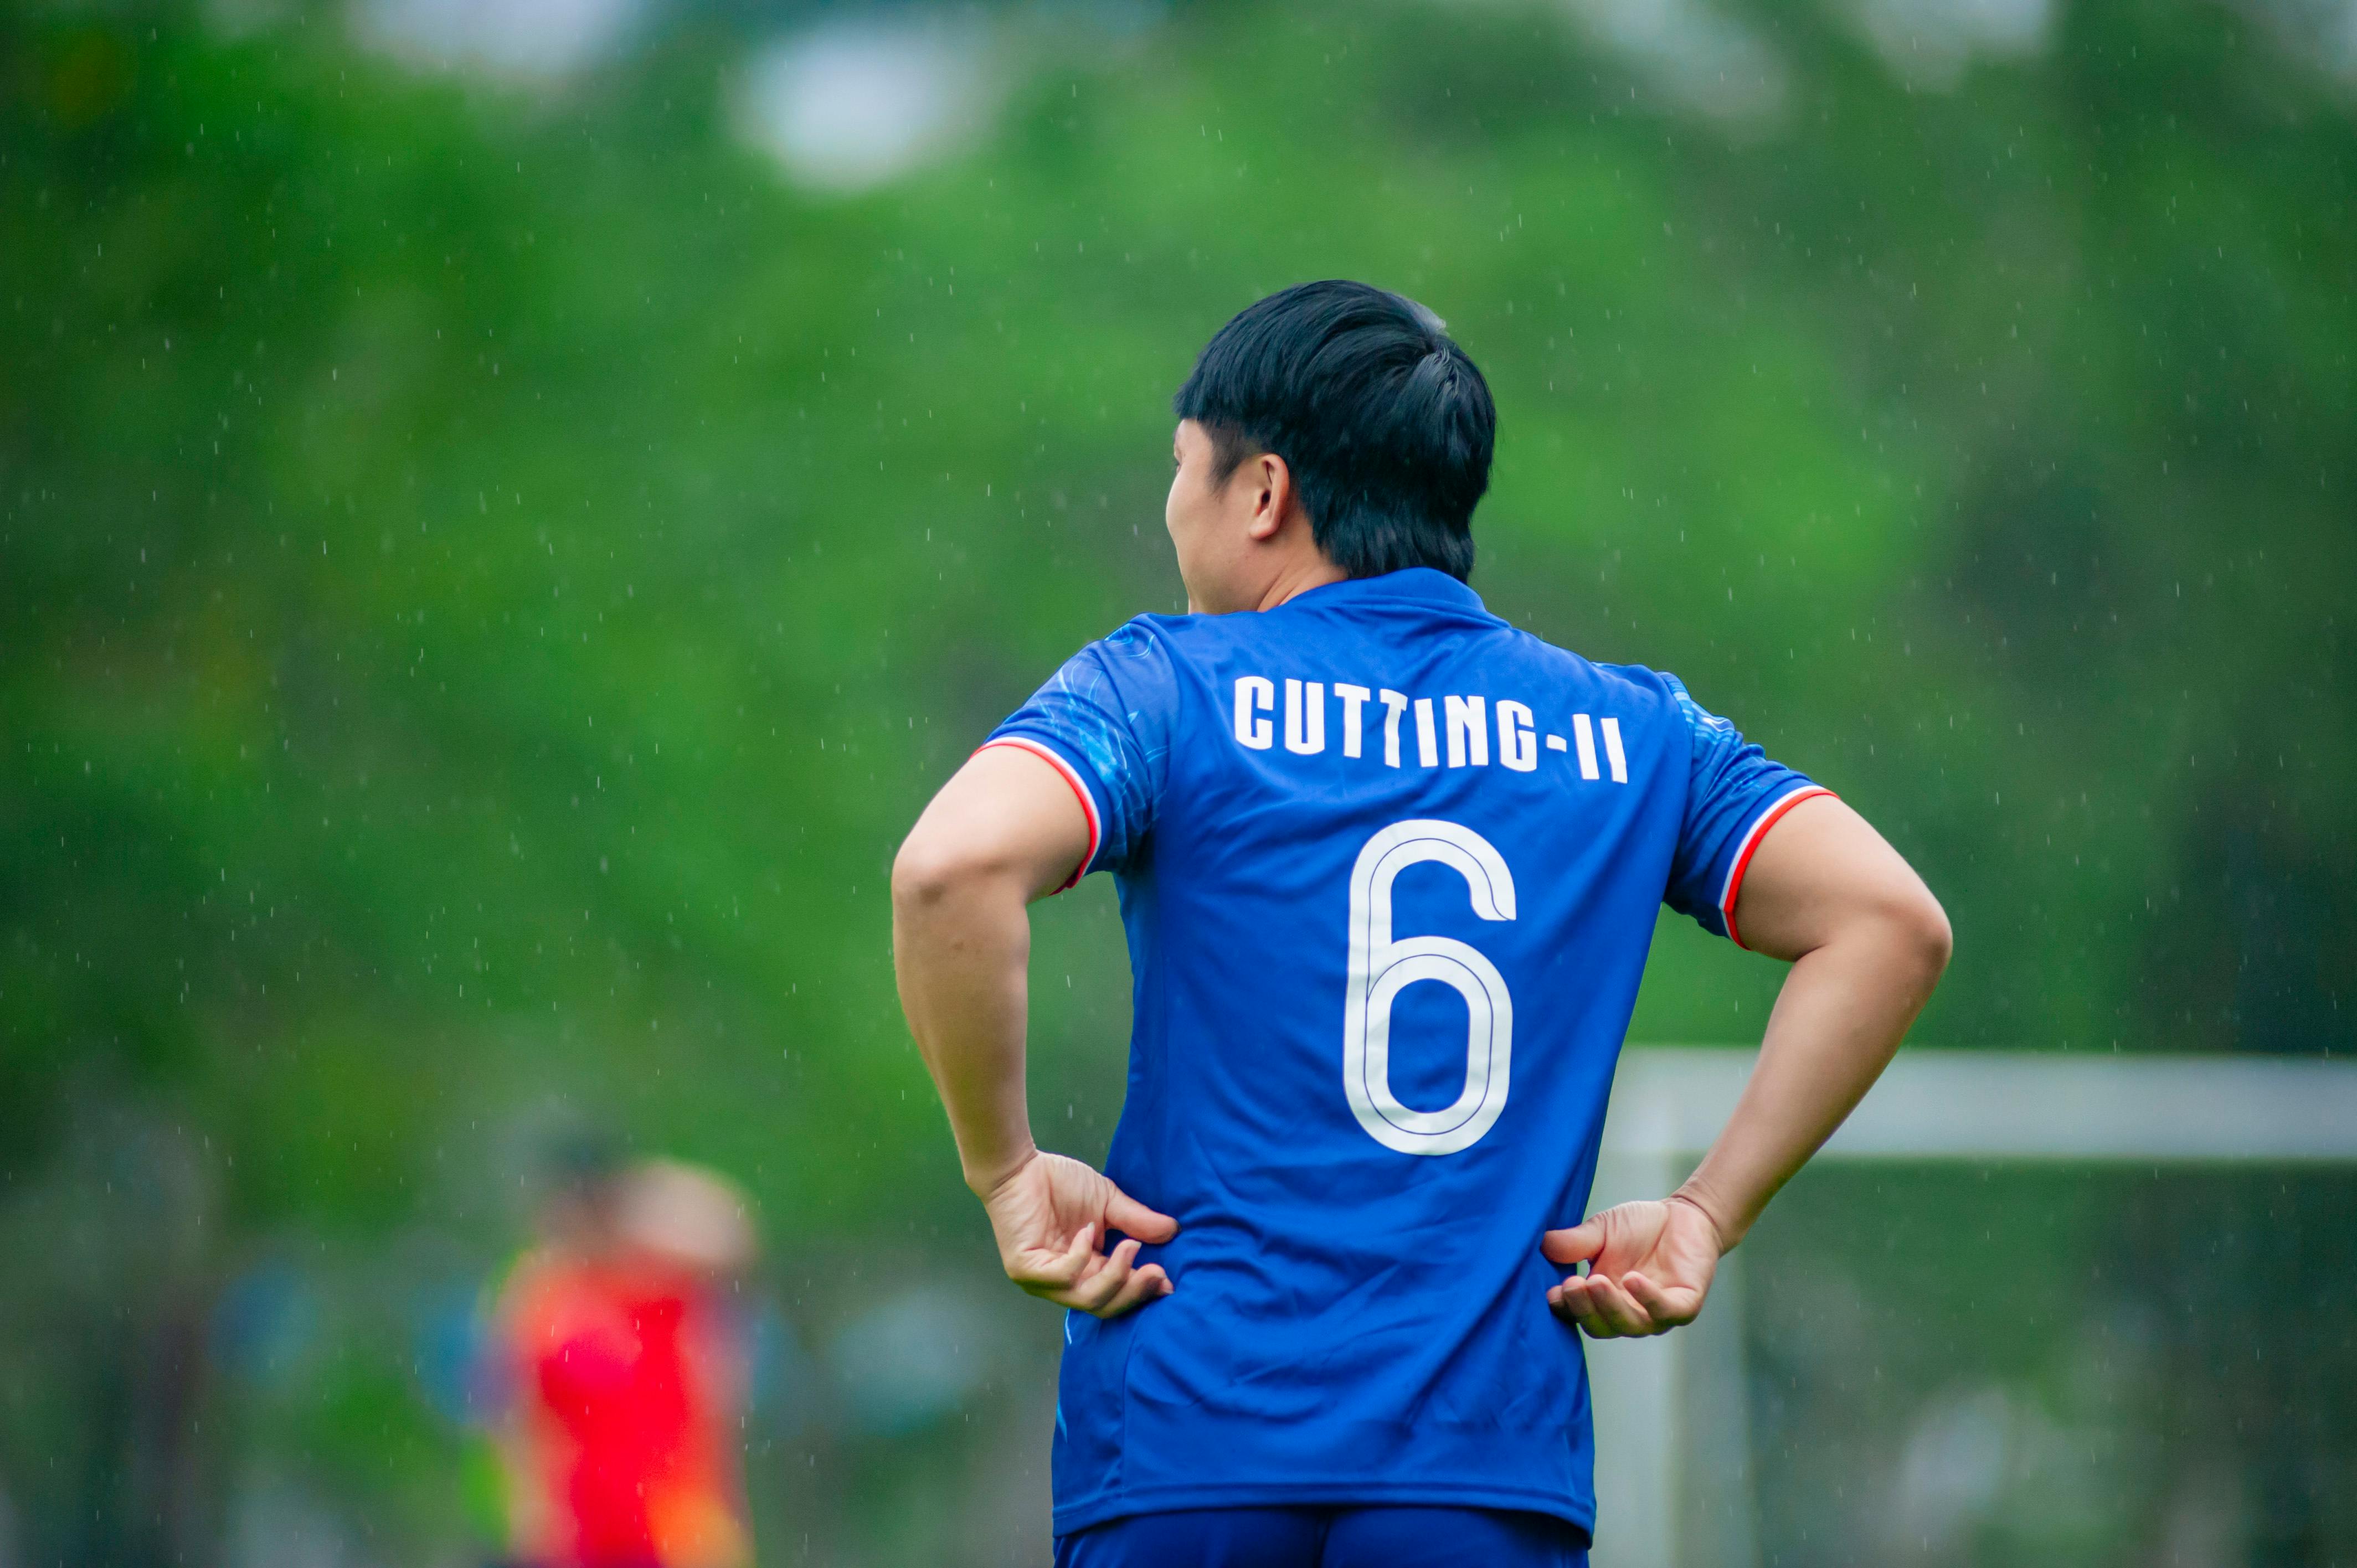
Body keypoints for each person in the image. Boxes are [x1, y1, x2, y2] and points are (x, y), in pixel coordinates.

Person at [891, 280, 1950, 1568]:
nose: (1173, 510)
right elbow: (1891, 922)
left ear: (1264, 493)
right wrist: (1704, 1214)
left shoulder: (1164, 682)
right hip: (1480, 1457)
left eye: (1183, 471)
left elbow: (950, 868)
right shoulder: (1635, 727)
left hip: (1192, 1436)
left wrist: (1005, 1172)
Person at [490, 1153, 759, 1568]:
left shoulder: (663, 1288)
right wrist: (529, 1523)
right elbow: (515, 1416)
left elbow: (732, 1232)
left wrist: (639, 1194)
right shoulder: (546, 1297)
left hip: (675, 1530)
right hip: (578, 1537)